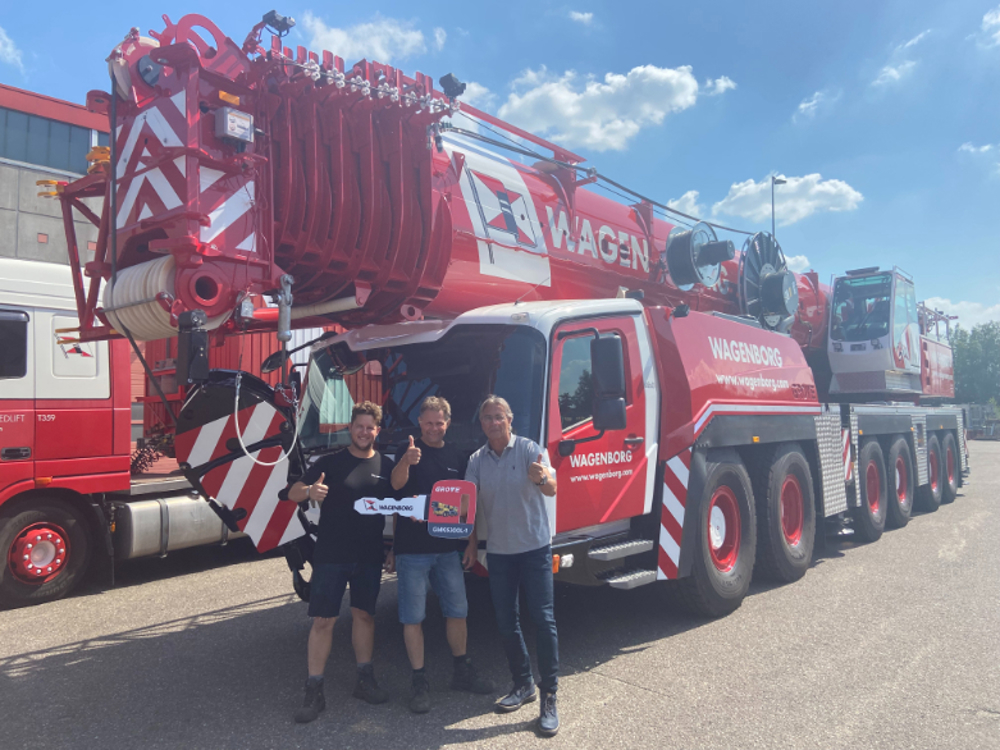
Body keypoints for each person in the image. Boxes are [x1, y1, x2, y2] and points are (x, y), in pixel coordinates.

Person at [286, 401, 395, 724]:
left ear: (377, 431)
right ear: (351, 428)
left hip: (369, 555)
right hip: (331, 555)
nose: (364, 432)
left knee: (365, 617)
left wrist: (395, 548)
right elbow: (291, 492)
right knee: (323, 621)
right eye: (359, 426)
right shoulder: (329, 463)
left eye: (370, 427)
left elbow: (398, 507)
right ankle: (314, 690)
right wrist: (310, 491)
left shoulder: (386, 465)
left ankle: (364, 680)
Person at [387, 396, 495, 713]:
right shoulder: (405, 453)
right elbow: (396, 491)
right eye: (428, 422)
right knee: (413, 618)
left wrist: (471, 543)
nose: (434, 428)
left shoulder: (456, 456)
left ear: (447, 423)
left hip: (448, 550)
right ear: (420, 422)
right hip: (412, 552)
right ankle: (419, 681)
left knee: (457, 611)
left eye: (439, 423)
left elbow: (466, 505)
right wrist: (406, 461)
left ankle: (462, 671)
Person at [465, 395, 560, 737]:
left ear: (510, 418)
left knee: (543, 620)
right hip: (500, 554)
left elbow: (552, 488)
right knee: (506, 622)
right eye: (487, 417)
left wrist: (541, 478)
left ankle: (549, 695)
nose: (493, 422)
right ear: (482, 424)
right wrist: (472, 545)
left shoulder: (528, 449)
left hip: (534, 549)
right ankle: (523, 685)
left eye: (499, 416)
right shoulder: (477, 459)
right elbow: (469, 505)